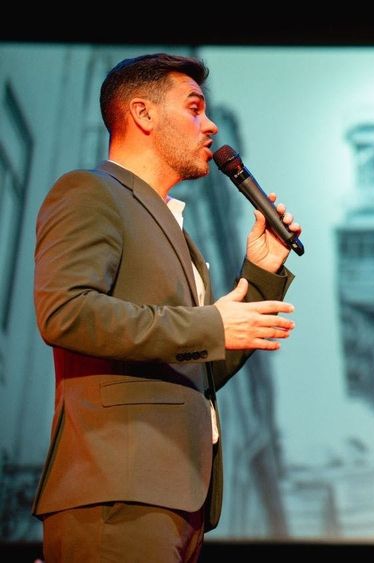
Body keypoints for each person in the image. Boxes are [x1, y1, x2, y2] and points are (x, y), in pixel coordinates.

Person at [33, 53, 300, 562]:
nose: (211, 124)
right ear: (143, 114)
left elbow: (192, 367)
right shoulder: (89, 192)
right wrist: (210, 323)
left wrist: (260, 272)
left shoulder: (177, 235)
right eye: (195, 108)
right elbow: (65, 312)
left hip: (175, 501)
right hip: (117, 494)